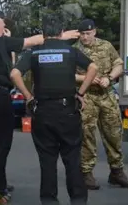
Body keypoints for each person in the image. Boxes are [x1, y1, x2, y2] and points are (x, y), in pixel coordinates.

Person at [0, 9, 80, 203]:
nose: (4, 31)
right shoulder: (2, 41)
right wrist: (60, 36)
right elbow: (33, 41)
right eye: (3, 28)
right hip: (0, 98)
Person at [10, 14, 98, 205]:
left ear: (43, 33)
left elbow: (15, 73)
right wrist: (81, 93)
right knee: (72, 160)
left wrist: (29, 97)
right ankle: (78, 200)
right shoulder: (70, 51)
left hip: (43, 112)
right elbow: (93, 67)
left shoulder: (34, 53)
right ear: (60, 33)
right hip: (68, 111)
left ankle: (49, 200)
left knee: (47, 163)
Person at [74, 18, 128, 189]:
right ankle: (86, 173)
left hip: (106, 95)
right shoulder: (74, 50)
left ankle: (117, 171)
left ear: (94, 31)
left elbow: (119, 65)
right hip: (86, 96)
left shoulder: (106, 46)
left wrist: (110, 78)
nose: (85, 37)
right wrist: (87, 79)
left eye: (88, 33)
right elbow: (70, 75)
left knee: (114, 133)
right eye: (82, 34)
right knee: (87, 135)